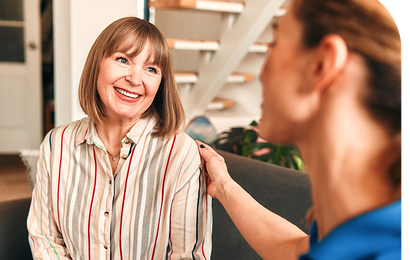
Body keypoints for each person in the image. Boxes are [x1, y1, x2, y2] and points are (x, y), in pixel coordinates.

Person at [196, 0, 402, 259]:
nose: (262, 72)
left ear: (321, 65)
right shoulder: (357, 226)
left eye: (275, 44)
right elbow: (294, 248)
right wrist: (224, 186)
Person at [27, 17, 212, 260]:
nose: (135, 79)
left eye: (151, 69)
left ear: (161, 83)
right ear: (97, 65)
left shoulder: (181, 153)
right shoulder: (56, 144)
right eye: (123, 60)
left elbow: (189, 255)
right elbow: (45, 239)